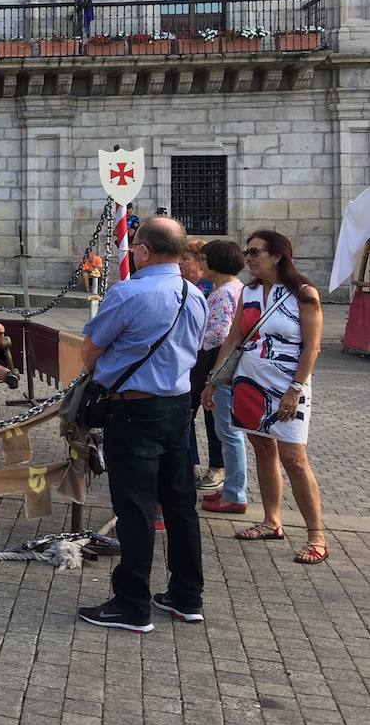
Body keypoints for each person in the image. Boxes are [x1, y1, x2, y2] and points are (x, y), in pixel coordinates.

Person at [77, 217, 206, 632]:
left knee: (134, 509)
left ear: (145, 251)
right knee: (181, 506)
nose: (132, 252)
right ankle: (187, 596)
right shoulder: (196, 294)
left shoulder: (130, 292)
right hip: (178, 407)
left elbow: (90, 349)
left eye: (134, 247)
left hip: (134, 409)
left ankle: (131, 604)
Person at [204, 230, 328, 564]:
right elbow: (234, 338)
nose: (249, 258)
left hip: (288, 385)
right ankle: (272, 521)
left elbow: (312, 347)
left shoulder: (303, 293)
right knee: (262, 448)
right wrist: (213, 381)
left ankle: (316, 534)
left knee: (293, 456)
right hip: (250, 382)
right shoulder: (250, 291)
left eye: (255, 252)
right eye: (248, 252)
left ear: (277, 255)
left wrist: (297, 389)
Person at [190, 240, 243, 504]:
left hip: (215, 362)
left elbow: (217, 336)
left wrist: (209, 375)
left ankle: (234, 491)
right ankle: (231, 488)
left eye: (204, 260)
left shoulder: (224, 294)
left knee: (227, 430)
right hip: (218, 362)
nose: (200, 264)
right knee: (225, 429)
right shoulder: (230, 289)